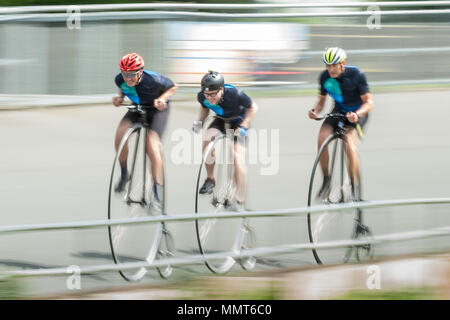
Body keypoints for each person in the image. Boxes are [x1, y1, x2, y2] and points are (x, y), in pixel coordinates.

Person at [112, 52, 178, 207]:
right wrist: (120, 98)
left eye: (131, 75)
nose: (127, 78)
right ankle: (124, 174)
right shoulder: (119, 79)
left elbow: (173, 86)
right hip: (138, 107)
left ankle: (156, 189)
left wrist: (163, 99)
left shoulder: (153, 80)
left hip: (157, 110)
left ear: (140, 72)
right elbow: (122, 88)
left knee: (152, 146)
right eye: (125, 74)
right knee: (121, 134)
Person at [308, 47, 373, 199]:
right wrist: (314, 111)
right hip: (338, 111)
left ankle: (352, 185)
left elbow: (369, 103)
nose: (330, 69)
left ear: (342, 64)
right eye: (327, 65)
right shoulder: (324, 77)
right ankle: (326, 179)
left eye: (334, 65)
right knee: (321, 139)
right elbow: (320, 103)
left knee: (349, 145)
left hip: (357, 113)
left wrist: (357, 114)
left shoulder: (356, 75)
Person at [193, 71, 258, 211]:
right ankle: (210, 179)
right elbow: (205, 108)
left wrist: (244, 125)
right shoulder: (202, 96)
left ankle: (239, 200)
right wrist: (199, 122)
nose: (209, 98)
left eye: (213, 94)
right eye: (207, 95)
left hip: (238, 122)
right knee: (207, 140)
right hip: (221, 120)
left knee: (236, 157)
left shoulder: (236, 94)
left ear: (222, 89)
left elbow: (253, 107)